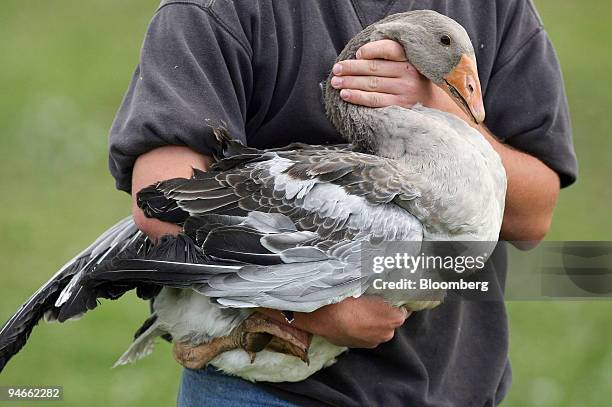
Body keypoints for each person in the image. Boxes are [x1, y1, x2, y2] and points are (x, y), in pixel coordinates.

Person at [109, 0, 577, 405]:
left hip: (455, 385)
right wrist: (313, 308)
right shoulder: (217, 10)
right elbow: (163, 197)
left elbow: (534, 216)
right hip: (263, 394)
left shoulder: (496, 9)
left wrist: (443, 114)